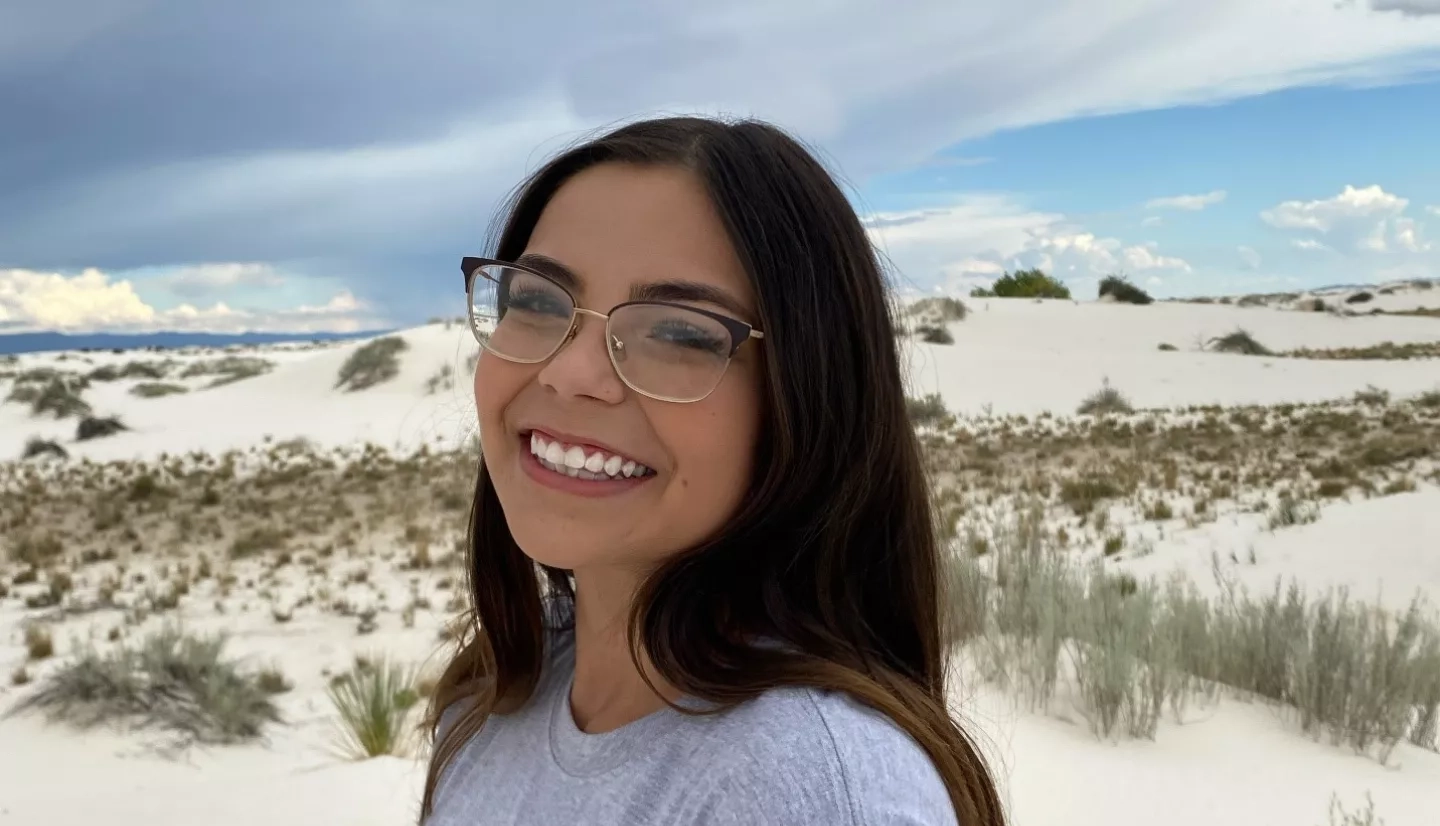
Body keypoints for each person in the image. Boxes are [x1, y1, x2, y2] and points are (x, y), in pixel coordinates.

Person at [420, 116, 1005, 826]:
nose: (570, 372)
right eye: (539, 303)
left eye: (678, 333)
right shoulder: (497, 693)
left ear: (804, 397)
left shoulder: (802, 788)